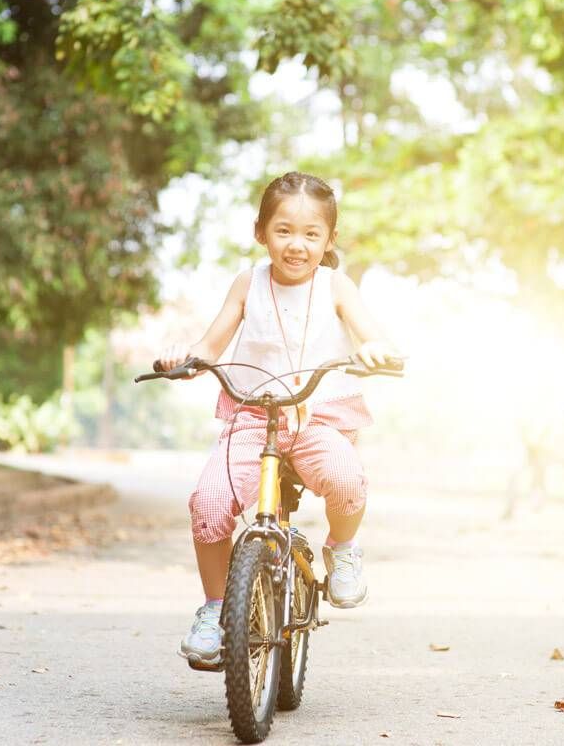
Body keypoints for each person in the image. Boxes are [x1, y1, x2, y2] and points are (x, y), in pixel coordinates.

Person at [155, 171, 399, 670]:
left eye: (312, 234)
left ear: (329, 240)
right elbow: (211, 344)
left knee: (347, 477)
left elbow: (370, 333)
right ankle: (215, 608)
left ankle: (343, 548)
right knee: (210, 501)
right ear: (260, 231)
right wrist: (185, 358)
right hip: (253, 413)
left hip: (319, 416)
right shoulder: (248, 282)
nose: (297, 245)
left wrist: (375, 348)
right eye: (283, 230)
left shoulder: (337, 285)